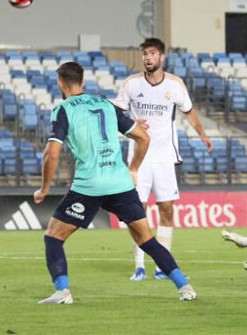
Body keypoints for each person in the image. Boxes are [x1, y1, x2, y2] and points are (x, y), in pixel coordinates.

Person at [33, 62, 196, 304]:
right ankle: (185, 286)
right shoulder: (105, 104)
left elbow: (51, 153)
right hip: (120, 182)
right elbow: (142, 137)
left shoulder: (64, 109)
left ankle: (62, 291)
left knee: (54, 237)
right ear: (83, 82)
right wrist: (133, 168)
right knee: (147, 240)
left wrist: (45, 187)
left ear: (60, 83)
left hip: (89, 185)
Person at [113, 38, 214, 281]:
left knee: (167, 210)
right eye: (144, 54)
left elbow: (189, 111)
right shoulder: (131, 84)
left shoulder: (176, 85)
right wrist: (132, 123)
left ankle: (162, 266)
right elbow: (116, 112)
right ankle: (139, 266)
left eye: (152, 53)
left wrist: (203, 136)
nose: (147, 57)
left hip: (165, 157)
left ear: (162, 57)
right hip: (138, 158)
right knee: (138, 212)